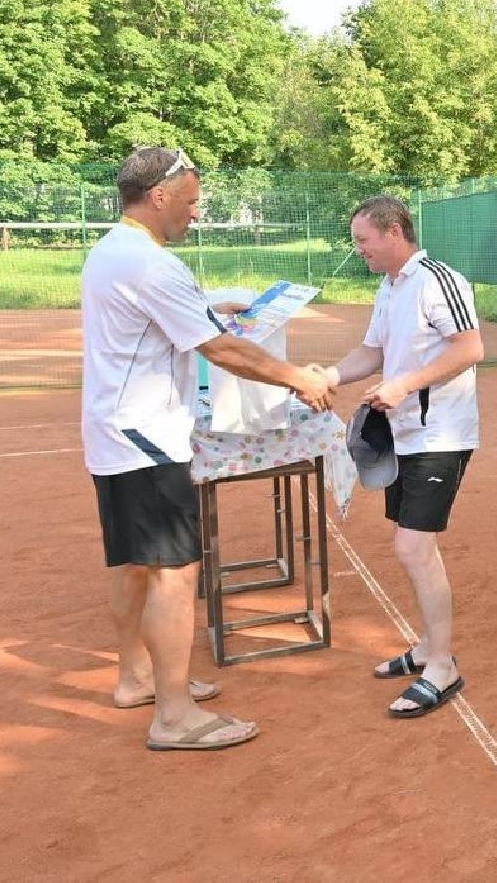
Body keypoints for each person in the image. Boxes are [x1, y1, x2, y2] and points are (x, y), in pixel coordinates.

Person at [81, 147, 332, 752]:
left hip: (115, 435)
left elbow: (166, 318)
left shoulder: (114, 249)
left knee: (133, 564)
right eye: (191, 202)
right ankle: (174, 715)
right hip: (144, 440)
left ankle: (135, 678)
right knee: (173, 572)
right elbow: (221, 351)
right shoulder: (151, 265)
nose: (196, 213)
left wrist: (208, 305)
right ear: (160, 197)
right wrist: (300, 378)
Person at [316, 196, 484, 717]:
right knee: (412, 546)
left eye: (363, 239)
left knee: (413, 548)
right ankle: (428, 648)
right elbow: (373, 352)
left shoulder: (439, 279)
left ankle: (442, 666)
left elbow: (469, 348)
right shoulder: (388, 288)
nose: (358, 249)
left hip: (442, 436)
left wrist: (404, 385)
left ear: (393, 232)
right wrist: (331, 376)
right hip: (402, 435)